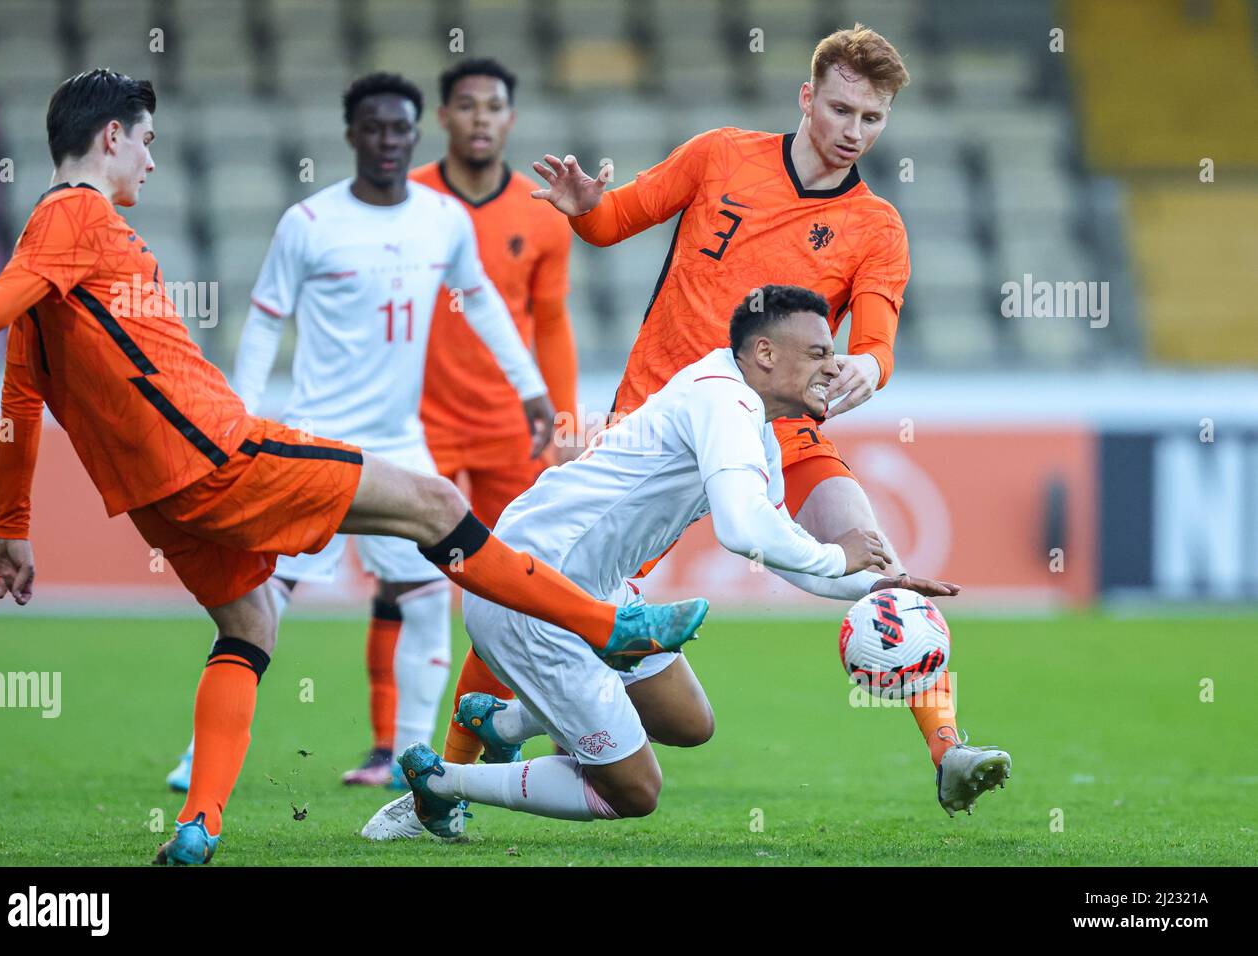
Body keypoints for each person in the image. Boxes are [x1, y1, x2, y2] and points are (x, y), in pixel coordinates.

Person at [0, 68, 707, 865]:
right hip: (220, 451)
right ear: (112, 136)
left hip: (158, 498)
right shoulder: (77, 213)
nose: (150, 160)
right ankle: (611, 626)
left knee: (250, 624)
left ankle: (199, 824)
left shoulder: (47, 238)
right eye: (146, 141)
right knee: (430, 504)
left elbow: (18, 399)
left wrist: (10, 527)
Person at [528, 24, 1008, 809]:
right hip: (658, 428)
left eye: (873, 119)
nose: (855, 132)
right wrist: (584, 209)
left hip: (784, 430)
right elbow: (614, 221)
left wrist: (865, 365)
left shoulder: (877, 227)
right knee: (555, 593)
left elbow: (878, 340)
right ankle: (458, 762)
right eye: (843, 110)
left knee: (874, 559)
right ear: (807, 97)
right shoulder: (721, 154)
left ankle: (948, 750)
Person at [364, 288, 1004, 842]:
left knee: (687, 722)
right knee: (633, 792)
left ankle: (503, 720)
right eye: (818, 353)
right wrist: (840, 553)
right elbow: (740, 528)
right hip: (528, 593)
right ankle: (444, 783)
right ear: (764, 355)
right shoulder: (724, 401)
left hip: (590, 587)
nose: (833, 367)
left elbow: (771, 543)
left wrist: (875, 583)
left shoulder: (750, 420)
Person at [165, 71, 555, 794]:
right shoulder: (310, 223)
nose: (387, 140)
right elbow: (266, 319)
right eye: (373, 128)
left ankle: (411, 760)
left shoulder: (442, 219)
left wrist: (529, 386)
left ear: (415, 134)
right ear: (351, 134)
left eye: (399, 129)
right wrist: (241, 418)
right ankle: (201, 755)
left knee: (429, 593)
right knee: (261, 595)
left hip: (398, 442)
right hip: (312, 438)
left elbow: (480, 300)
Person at [409, 57, 581, 772]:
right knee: (413, 583)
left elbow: (551, 323)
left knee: (517, 584)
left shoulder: (540, 214)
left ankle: (476, 745)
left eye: (494, 106)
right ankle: (398, 742)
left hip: (515, 426)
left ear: (510, 120)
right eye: (467, 105)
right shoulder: (407, 199)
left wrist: (565, 423)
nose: (481, 118)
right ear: (443, 117)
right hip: (421, 424)